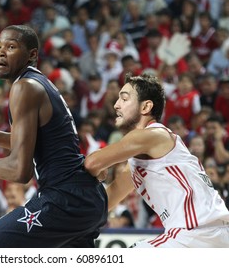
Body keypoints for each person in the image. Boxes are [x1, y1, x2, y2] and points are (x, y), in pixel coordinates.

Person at [0, 24, 108, 248]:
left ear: (32, 55)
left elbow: (20, 171)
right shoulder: (37, 83)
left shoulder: (25, 88)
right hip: (83, 196)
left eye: (11, 47)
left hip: (64, 198)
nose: (0, 52)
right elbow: (37, 142)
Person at [84, 73, 229, 248]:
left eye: (124, 99)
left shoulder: (154, 135)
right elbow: (107, 201)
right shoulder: (142, 158)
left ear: (146, 106)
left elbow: (91, 163)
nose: (116, 105)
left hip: (196, 232)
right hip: (210, 235)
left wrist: (101, 165)